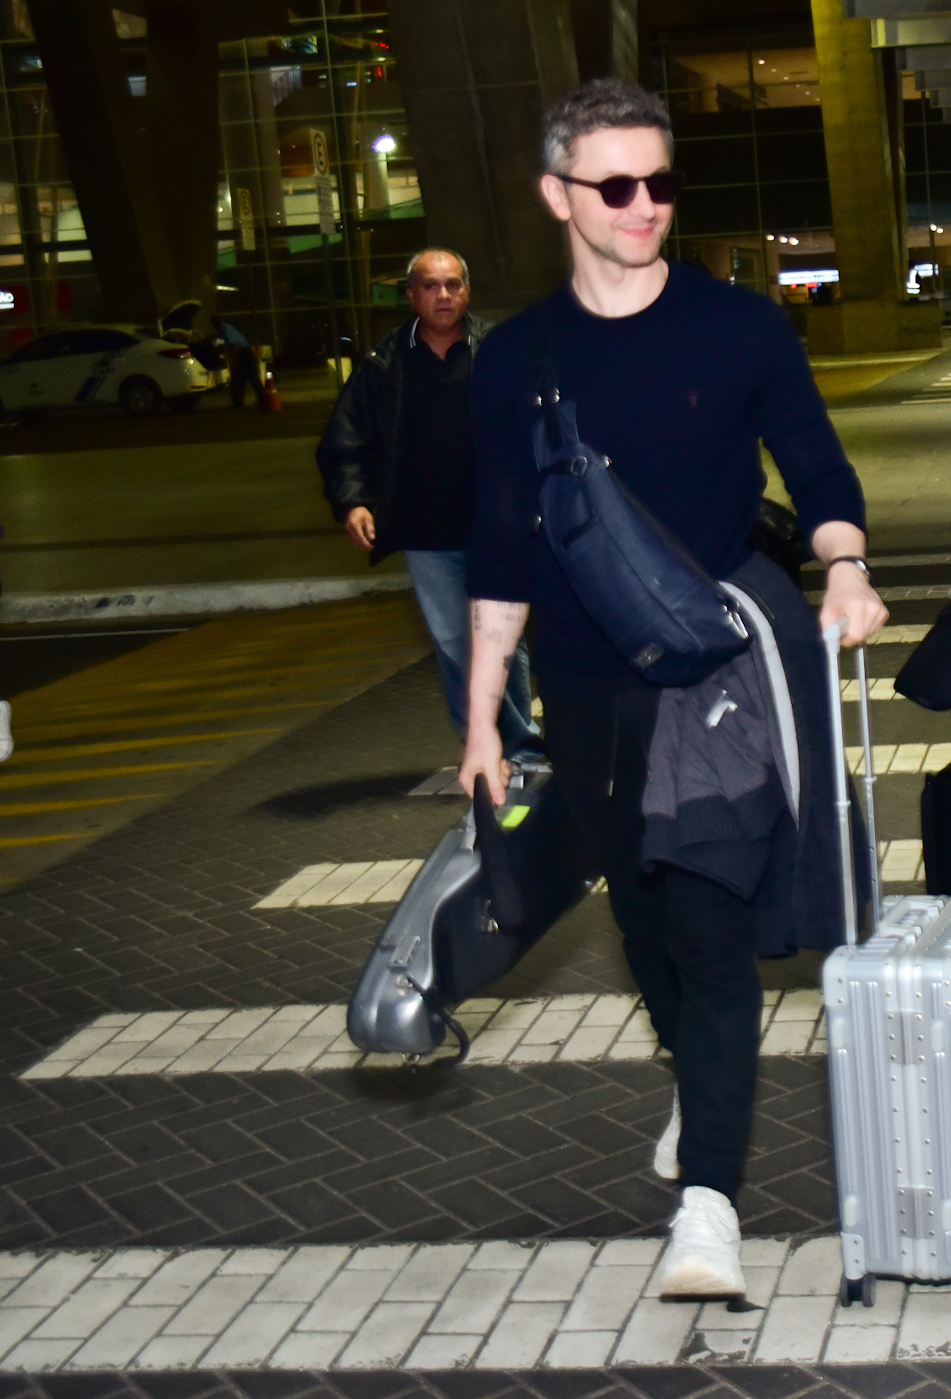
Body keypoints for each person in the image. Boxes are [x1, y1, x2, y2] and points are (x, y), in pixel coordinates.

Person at [458, 78, 889, 1297]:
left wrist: (846, 565)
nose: (644, 205)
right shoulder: (513, 361)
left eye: (659, 182)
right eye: (615, 186)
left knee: (704, 934)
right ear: (558, 196)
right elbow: (499, 546)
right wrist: (482, 711)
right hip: (588, 687)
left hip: (719, 673)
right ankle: (701, 1100)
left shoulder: (739, 327)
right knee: (641, 925)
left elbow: (811, 458)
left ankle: (710, 1199)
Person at [316, 249, 542, 763]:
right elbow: (344, 441)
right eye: (431, 286)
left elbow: (543, 428)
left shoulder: (501, 352)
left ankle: (522, 747)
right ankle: (482, 744)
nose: (444, 295)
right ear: (412, 294)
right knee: (457, 646)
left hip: (498, 525)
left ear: (467, 290)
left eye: (453, 285)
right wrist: (354, 502)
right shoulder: (384, 363)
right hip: (426, 531)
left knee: (504, 640)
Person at [216, 318, 258, 410]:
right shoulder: (222, 329)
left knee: (250, 378)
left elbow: (234, 346)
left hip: (244, 354)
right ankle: (239, 403)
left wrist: (234, 361)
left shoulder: (225, 330)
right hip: (244, 353)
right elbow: (219, 343)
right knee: (240, 379)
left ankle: (240, 403)